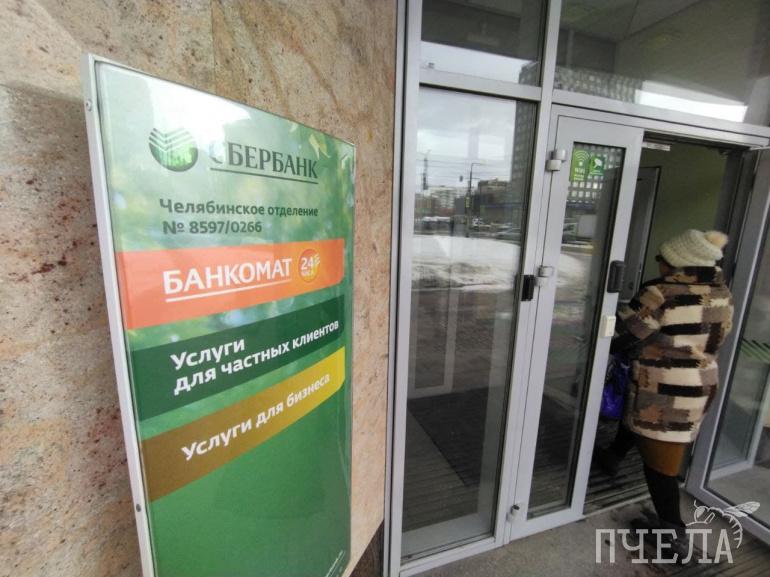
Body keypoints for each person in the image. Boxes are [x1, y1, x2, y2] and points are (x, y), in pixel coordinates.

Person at [599, 229, 734, 559]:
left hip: (663, 389)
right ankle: (613, 456)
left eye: (662, 258)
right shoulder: (722, 293)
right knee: (645, 428)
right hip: (701, 383)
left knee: (661, 466)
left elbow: (624, 335)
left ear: (677, 262)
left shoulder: (661, 292)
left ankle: (673, 534)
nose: (658, 263)